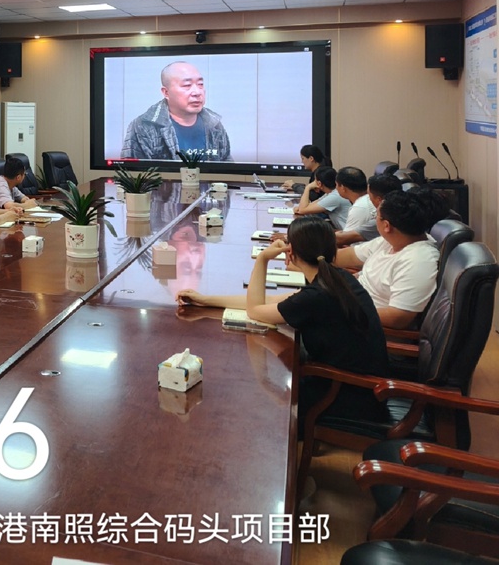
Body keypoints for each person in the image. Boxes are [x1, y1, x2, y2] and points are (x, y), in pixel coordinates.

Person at [176, 216, 388, 427]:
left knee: (249, 407)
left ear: (291, 251)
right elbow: (267, 302)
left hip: (346, 398)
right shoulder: (337, 278)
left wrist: (262, 259)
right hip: (360, 390)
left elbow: (255, 310)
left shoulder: (315, 296)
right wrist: (206, 300)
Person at [332, 187, 449, 329]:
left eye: (376, 215)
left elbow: (397, 318)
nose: (374, 218)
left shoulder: (418, 261)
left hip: (360, 327)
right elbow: (346, 256)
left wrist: (342, 311)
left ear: (386, 225)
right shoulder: (390, 241)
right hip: (348, 299)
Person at [121, 61, 230, 161]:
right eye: (187, 85)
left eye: (200, 84)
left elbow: (227, 165)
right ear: (166, 92)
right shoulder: (143, 126)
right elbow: (132, 171)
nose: (197, 92)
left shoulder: (214, 124)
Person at [331, 167, 377, 246]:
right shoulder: (367, 199)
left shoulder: (360, 207)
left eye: (336, 185)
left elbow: (343, 240)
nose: (336, 188)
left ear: (343, 188)